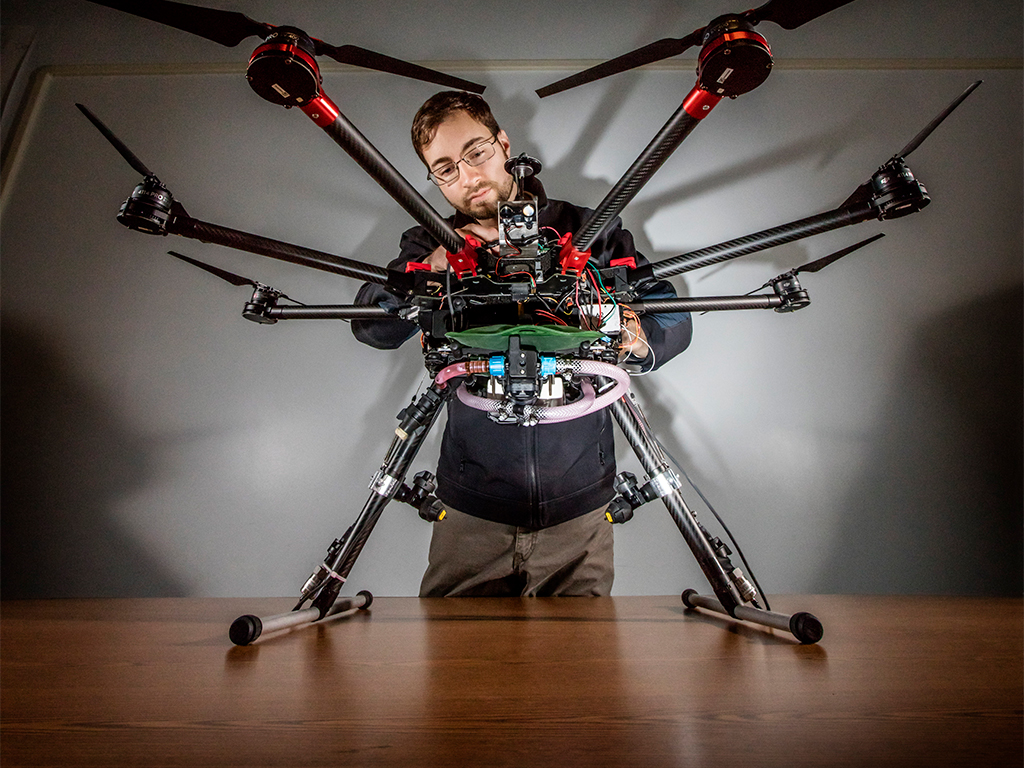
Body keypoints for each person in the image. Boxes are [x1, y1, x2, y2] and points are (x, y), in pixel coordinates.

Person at [352, 91, 692, 597]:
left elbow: (672, 316)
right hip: (470, 508)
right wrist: (436, 266)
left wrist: (635, 338)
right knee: (457, 663)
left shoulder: (588, 229)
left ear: (504, 144)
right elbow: (371, 324)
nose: (467, 177)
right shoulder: (431, 240)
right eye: (444, 169)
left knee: (581, 662)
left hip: (580, 508)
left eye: (476, 153)